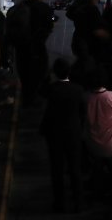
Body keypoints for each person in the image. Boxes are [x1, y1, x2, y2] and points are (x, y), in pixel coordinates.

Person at [39, 58, 85, 213]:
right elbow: (83, 112)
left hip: (55, 134)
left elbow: (41, 91)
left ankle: (59, 203)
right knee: (75, 168)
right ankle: (79, 203)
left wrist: (47, 76)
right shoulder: (78, 89)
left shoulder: (52, 89)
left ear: (55, 72)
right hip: (73, 133)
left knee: (57, 169)